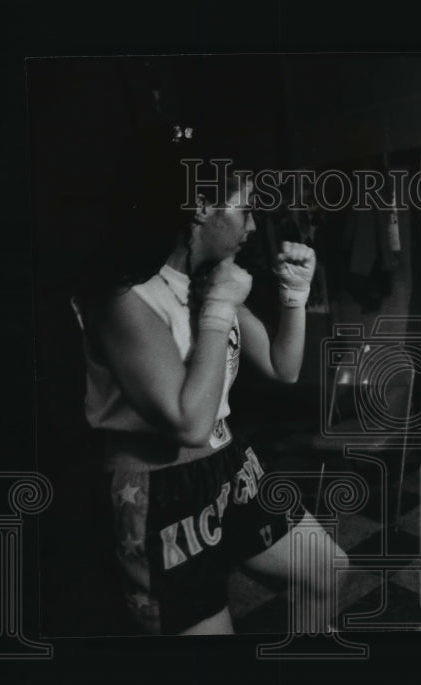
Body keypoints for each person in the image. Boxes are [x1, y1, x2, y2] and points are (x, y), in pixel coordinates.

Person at [71, 125, 345, 635]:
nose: (252, 222)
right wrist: (219, 309)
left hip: (229, 464)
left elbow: (284, 368)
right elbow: (189, 423)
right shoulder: (125, 299)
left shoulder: (210, 282)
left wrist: (294, 297)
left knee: (325, 571)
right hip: (156, 487)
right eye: (243, 208)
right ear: (200, 208)